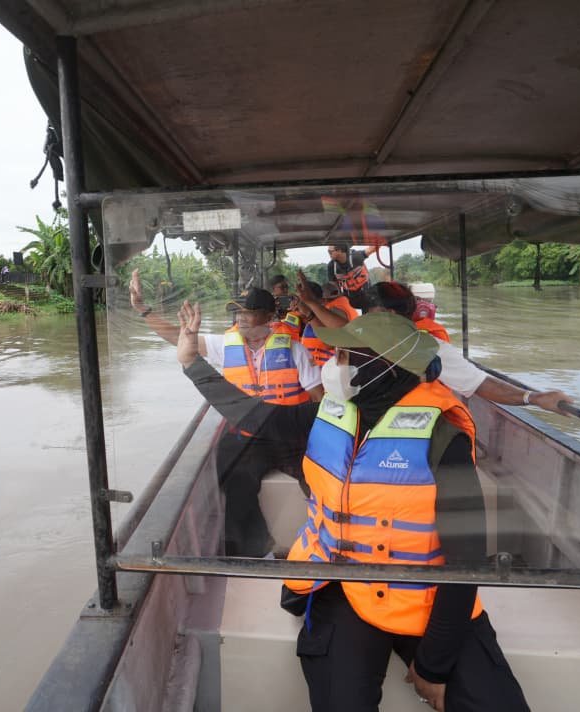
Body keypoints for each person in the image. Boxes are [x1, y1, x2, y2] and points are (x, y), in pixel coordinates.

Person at [175, 304, 530, 712]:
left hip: (428, 595)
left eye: (346, 356)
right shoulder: (328, 414)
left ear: (383, 368)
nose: (334, 363)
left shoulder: (442, 439)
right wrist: (191, 363)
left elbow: (466, 563)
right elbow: (255, 416)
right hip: (341, 584)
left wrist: (433, 666)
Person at [130, 269, 322, 556]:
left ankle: (324, 539)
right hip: (250, 437)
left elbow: (319, 400)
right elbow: (180, 339)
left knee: (320, 477)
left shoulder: (294, 349)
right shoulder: (224, 345)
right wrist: (144, 310)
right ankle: (256, 548)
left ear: (270, 317)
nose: (241, 318)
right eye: (237, 313)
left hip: (290, 434)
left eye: (249, 313)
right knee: (234, 478)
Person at [319, 280, 573, 414]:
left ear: (386, 314)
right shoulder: (425, 347)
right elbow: (480, 384)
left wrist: (534, 398)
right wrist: (534, 398)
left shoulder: (352, 340)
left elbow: (478, 383)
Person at [327, 241, 377, 308]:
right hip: (350, 298)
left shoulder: (356, 257)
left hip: (367, 295)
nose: (329, 254)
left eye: (330, 252)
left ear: (339, 251)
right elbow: (333, 285)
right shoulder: (331, 266)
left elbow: (371, 249)